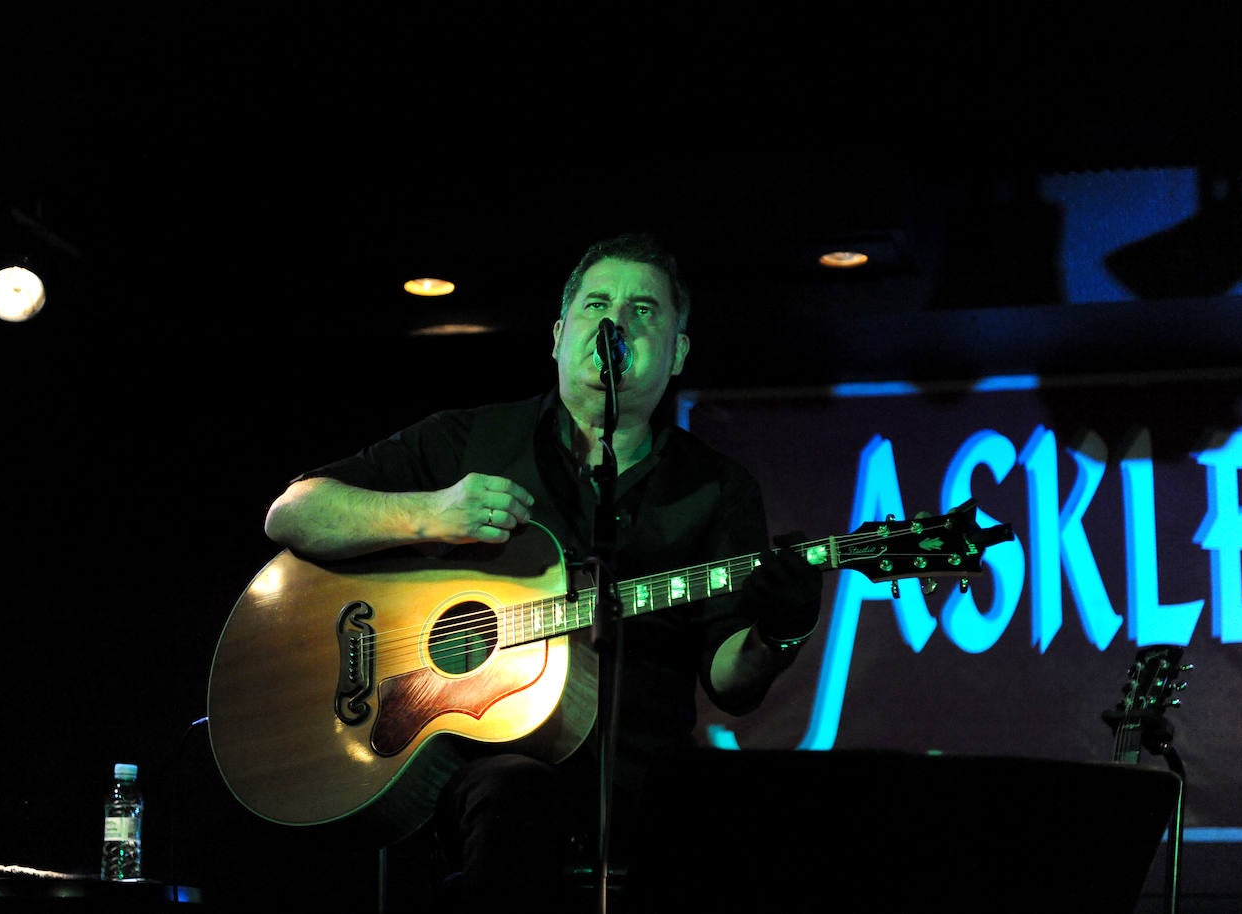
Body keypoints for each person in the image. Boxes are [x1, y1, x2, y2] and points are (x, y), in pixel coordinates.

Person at [261, 231, 822, 913]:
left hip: (637, 782)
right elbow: (293, 513)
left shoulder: (717, 488)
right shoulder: (470, 440)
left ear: (677, 352)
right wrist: (430, 513)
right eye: (597, 305)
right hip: (465, 771)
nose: (616, 324)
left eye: (644, 311)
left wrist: (778, 633)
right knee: (513, 791)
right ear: (558, 335)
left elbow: (729, 679)